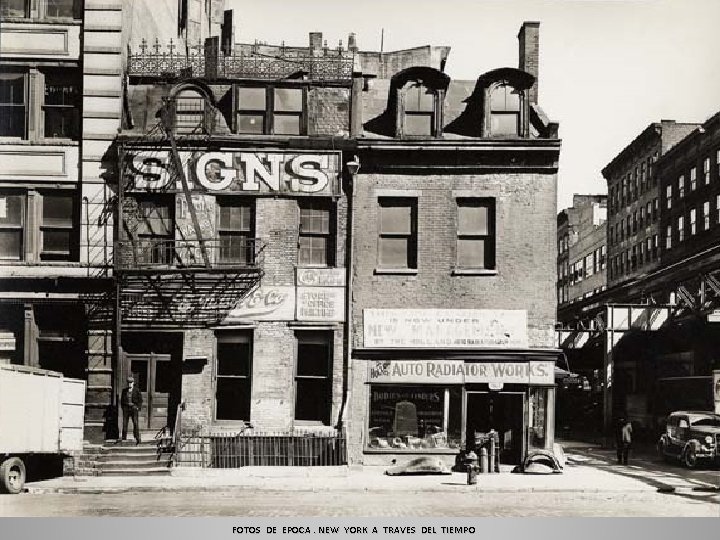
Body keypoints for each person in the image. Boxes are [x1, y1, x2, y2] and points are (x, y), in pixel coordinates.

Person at [121, 375, 142, 444]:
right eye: (128, 383)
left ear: (133, 383)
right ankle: (124, 438)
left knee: (135, 423)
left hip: (134, 408)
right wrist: (123, 407)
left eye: (131, 383)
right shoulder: (124, 391)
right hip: (126, 409)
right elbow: (122, 400)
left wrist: (138, 407)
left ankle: (137, 437)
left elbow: (140, 400)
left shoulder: (137, 390)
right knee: (124, 423)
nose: (130, 384)